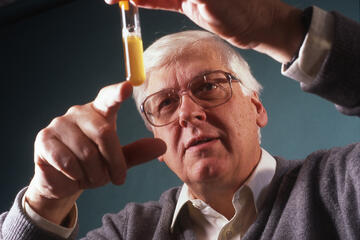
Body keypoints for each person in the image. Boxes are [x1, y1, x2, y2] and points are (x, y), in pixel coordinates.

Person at [1, 0, 360, 239]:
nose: (188, 113)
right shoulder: (129, 233)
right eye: (165, 104)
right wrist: (46, 199)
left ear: (257, 108)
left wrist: (276, 26)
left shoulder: (341, 189)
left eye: (209, 87)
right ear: (157, 144)